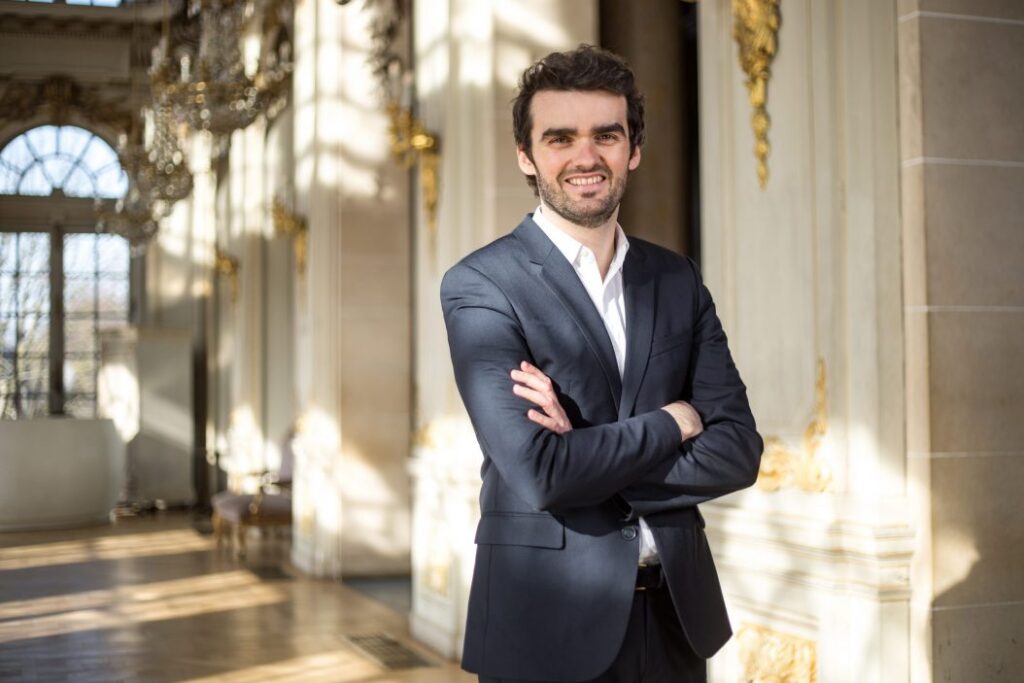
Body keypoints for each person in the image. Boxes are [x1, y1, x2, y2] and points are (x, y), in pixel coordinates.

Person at [441, 45, 763, 683]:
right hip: (544, 625)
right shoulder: (482, 284)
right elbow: (541, 472)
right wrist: (673, 422)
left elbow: (738, 451)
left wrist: (583, 454)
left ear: (632, 149)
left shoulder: (675, 278)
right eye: (560, 138)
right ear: (526, 156)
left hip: (673, 620)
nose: (585, 157)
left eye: (606, 136)